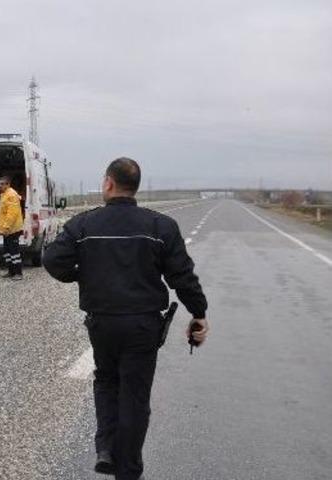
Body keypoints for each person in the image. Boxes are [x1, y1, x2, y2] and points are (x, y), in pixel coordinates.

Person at [43, 157, 209, 480]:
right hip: (143, 327)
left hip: (102, 324)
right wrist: (199, 314)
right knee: (134, 396)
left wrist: (83, 275)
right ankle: (128, 470)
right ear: (136, 187)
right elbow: (183, 278)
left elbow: (52, 260)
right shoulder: (161, 227)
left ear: (108, 183)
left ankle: (105, 448)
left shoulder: (84, 225)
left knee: (106, 381)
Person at [0, 176, 24, 280]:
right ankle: (11, 271)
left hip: (12, 229)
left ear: (8, 184)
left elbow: (12, 214)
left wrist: (7, 227)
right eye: (0, 183)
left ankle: (18, 273)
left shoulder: (11, 195)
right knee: (7, 252)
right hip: (7, 229)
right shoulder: (5, 194)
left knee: (14, 252)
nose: (0, 185)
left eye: (2, 183)